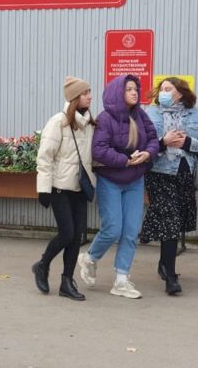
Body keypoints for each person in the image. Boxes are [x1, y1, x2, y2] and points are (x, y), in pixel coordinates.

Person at [77, 75, 159, 299]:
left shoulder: (141, 115)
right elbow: (99, 150)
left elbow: (154, 139)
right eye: (129, 89)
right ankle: (89, 258)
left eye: (135, 89)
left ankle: (121, 280)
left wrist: (147, 153)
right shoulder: (105, 118)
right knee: (113, 229)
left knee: (131, 231)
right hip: (111, 180)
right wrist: (125, 160)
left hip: (135, 180)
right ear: (117, 93)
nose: (134, 92)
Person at [140, 77, 198, 295]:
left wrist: (188, 142)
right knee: (170, 220)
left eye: (168, 89)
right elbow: (143, 142)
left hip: (184, 172)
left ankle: (164, 263)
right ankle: (171, 276)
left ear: (180, 93)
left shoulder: (194, 113)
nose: (163, 92)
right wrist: (163, 142)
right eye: (161, 89)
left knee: (176, 220)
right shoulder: (151, 113)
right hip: (159, 173)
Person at [32, 76, 96, 301]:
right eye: (85, 93)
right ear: (74, 97)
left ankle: (66, 282)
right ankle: (43, 264)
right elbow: (45, 157)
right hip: (59, 187)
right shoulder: (57, 122)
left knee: (77, 237)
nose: (89, 96)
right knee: (67, 233)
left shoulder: (89, 124)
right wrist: (43, 189)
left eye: (89, 92)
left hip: (80, 187)